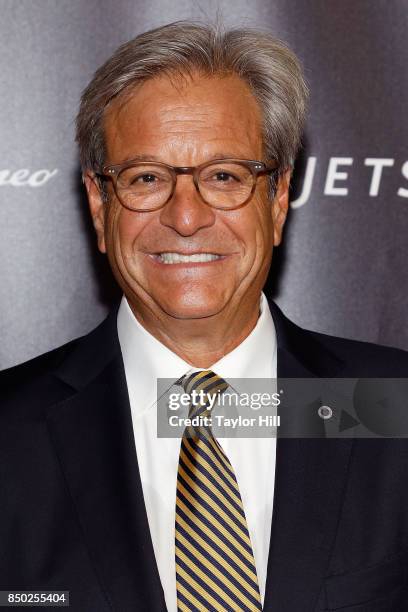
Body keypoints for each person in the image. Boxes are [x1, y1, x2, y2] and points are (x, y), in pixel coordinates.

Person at [1, 21, 408, 612]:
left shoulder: (391, 406)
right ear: (99, 204)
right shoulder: (10, 437)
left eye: (224, 177)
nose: (186, 217)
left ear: (276, 200)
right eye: (145, 178)